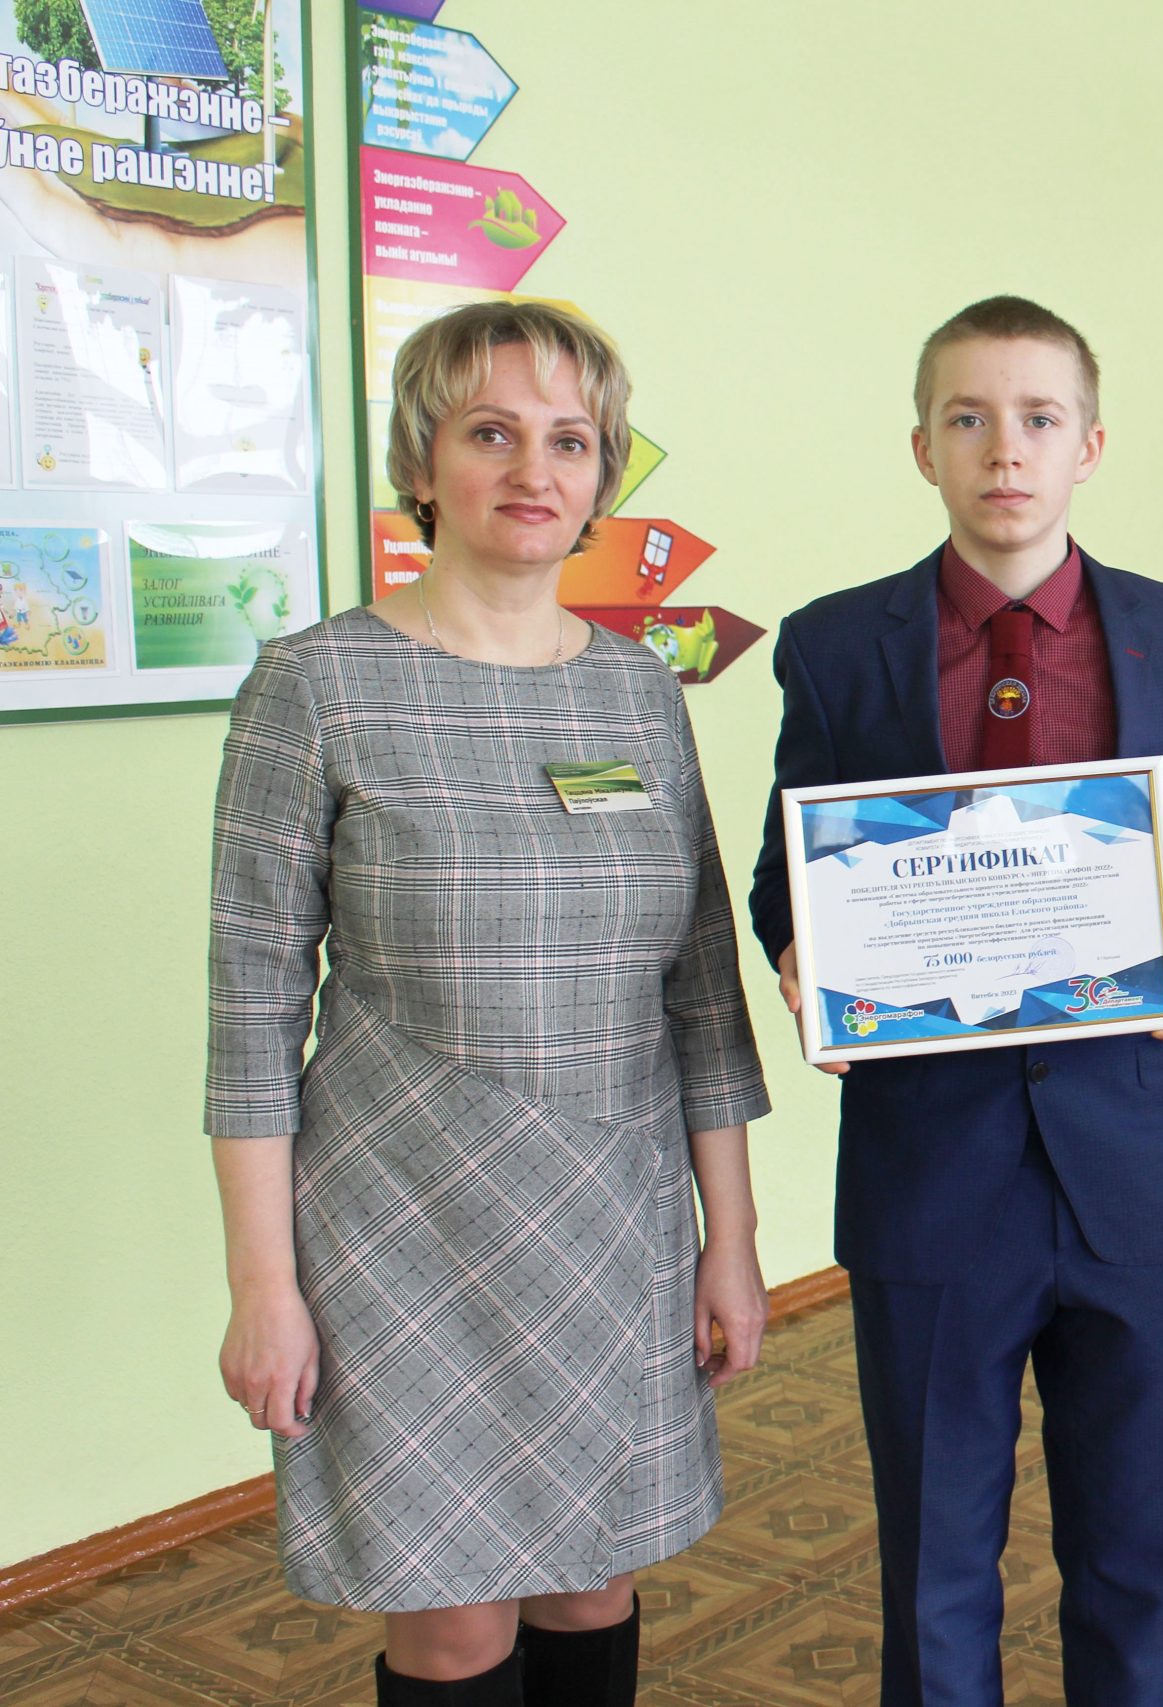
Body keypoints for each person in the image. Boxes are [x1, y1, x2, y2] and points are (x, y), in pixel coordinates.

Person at [205, 301, 771, 1707]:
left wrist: (736, 1241)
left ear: (602, 475)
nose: (534, 469)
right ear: (422, 461)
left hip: (614, 1224)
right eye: (490, 432)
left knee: (594, 1579)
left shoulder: (638, 695)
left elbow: (703, 993)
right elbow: (251, 1020)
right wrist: (263, 1288)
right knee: (453, 1627)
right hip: (402, 1233)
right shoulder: (316, 685)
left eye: (569, 441)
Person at [745, 295, 1163, 1707]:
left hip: (1133, 1170)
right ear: (923, 446)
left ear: (1089, 444)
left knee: (1135, 1558)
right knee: (934, 1567)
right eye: (968, 418)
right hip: (930, 1167)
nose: (1005, 449)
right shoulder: (835, 645)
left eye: (1038, 418)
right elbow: (788, 870)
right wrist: (804, 953)